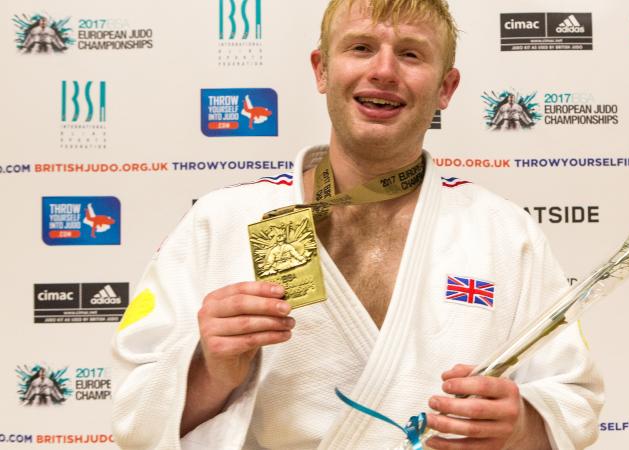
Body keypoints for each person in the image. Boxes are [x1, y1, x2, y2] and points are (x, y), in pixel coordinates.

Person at [111, 1, 603, 449]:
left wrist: (521, 426)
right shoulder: (220, 222)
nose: (383, 70)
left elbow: (574, 402)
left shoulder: (504, 233)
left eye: (411, 54)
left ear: (445, 88)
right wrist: (209, 369)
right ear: (322, 69)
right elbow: (133, 417)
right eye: (361, 48)